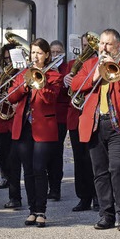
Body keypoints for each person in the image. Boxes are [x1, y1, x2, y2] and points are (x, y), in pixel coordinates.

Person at [71, 29, 120, 231]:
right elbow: (76, 85)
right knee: (100, 172)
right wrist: (95, 74)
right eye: (101, 44)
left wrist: (118, 70)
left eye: (108, 44)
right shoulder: (90, 64)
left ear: (118, 46)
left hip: (119, 124)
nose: (103, 48)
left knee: (119, 167)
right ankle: (106, 214)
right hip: (96, 124)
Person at [7, 38, 62, 227]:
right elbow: (12, 96)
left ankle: (41, 211)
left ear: (46, 55)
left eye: (39, 53)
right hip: (23, 127)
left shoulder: (54, 75)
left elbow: (51, 99)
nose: (35, 56)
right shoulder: (23, 74)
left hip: (44, 128)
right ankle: (32, 210)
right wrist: (24, 85)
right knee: (28, 170)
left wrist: (40, 83)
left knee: (39, 168)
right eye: (32, 53)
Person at [65, 33, 98, 212]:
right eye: (84, 45)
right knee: (79, 159)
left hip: (92, 115)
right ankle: (83, 197)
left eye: (89, 46)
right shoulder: (72, 65)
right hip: (75, 116)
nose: (86, 49)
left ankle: (97, 196)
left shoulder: (98, 64)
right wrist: (65, 81)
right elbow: (65, 92)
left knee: (94, 158)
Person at [0, 43, 22, 209]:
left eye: (11, 59)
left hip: (16, 121)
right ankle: (10, 185)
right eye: (5, 59)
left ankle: (15, 196)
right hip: (2, 121)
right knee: (3, 156)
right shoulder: (1, 75)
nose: (8, 63)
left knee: (14, 160)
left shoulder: (23, 73)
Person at [48, 40, 67, 201]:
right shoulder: (45, 68)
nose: (55, 55)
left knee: (56, 152)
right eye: (52, 52)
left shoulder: (66, 68)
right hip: (45, 116)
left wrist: (58, 76)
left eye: (58, 52)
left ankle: (55, 188)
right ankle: (47, 185)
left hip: (61, 116)